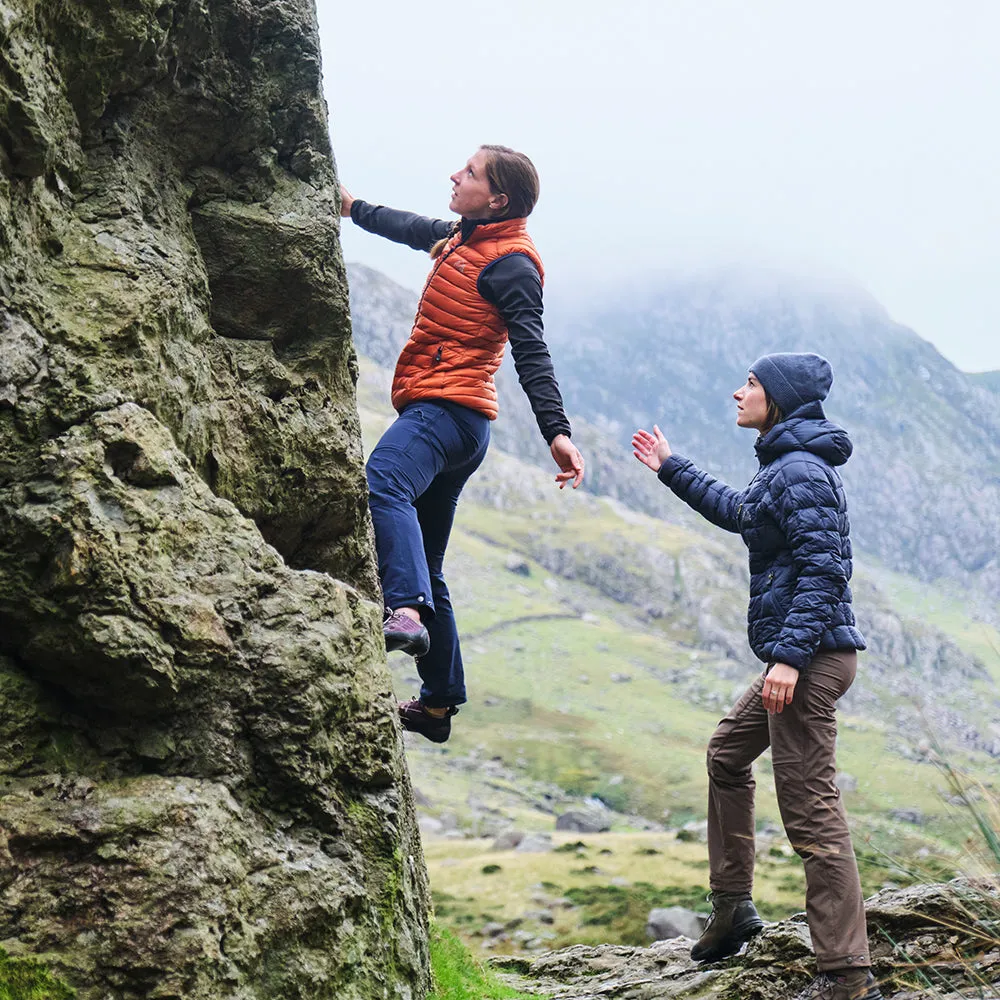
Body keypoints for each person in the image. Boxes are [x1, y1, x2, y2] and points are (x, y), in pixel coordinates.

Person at [632, 353, 881, 1000]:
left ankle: (847, 975)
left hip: (811, 660)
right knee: (727, 752)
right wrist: (672, 467)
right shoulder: (784, 468)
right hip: (802, 655)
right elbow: (743, 513)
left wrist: (790, 659)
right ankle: (734, 908)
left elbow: (826, 571)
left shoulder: (800, 471)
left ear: (780, 397)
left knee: (812, 812)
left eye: (750, 384)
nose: (738, 392)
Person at [341, 145, 584, 745]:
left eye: (470, 173)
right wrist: (351, 208)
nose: (455, 175)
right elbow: (411, 228)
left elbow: (531, 350)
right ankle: (438, 703)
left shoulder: (512, 266)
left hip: (447, 414)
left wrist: (557, 433)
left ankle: (404, 612)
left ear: (498, 199)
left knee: (383, 482)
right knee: (432, 563)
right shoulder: (463, 237)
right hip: (456, 422)